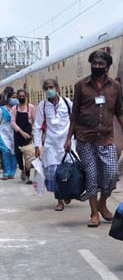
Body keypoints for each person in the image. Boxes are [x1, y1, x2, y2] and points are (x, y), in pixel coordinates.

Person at [64, 50, 123, 227]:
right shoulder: (81, 86)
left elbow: (120, 111)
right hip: (85, 138)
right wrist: (68, 138)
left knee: (111, 174)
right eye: (94, 63)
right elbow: (74, 113)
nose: (97, 66)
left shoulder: (115, 87)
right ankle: (94, 213)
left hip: (106, 138)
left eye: (101, 64)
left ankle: (102, 203)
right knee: (92, 177)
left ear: (107, 66)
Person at [33, 79, 73, 211]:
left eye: (51, 87)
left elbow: (75, 121)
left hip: (67, 144)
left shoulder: (67, 103)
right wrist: (37, 146)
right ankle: (60, 200)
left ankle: (67, 193)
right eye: (46, 88)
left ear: (57, 88)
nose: (49, 90)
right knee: (53, 174)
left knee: (68, 173)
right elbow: (37, 126)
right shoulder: (43, 105)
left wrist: (73, 139)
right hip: (50, 144)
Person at [11, 88, 35, 183]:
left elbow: (34, 121)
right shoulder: (14, 108)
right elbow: (13, 122)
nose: (21, 98)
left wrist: (32, 132)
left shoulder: (31, 107)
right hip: (18, 134)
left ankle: (27, 175)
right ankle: (22, 169)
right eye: (19, 96)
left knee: (28, 154)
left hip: (28, 135)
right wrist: (21, 132)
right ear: (17, 97)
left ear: (26, 96)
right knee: (18, 154)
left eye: (23, 96)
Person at [0, 94, 16, 180]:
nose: (15, 99)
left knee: (14, 152)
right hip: (3, 133)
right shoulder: (1, 110)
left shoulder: (16, 109)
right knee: (6, 152)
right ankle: (6, 172)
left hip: (14, 133)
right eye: (13, 98)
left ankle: (12, 173)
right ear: (8, 99)